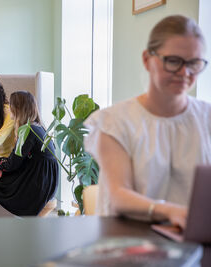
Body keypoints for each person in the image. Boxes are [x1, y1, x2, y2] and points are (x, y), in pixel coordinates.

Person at [84, 15, 210, 229]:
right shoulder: (114, 121)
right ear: (147, 59)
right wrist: (170, 211)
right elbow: (119, 194)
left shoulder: (206, 117)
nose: (184, 72)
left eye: (194, 63)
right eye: (173, 61)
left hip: (192, 239)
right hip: (128, 240)